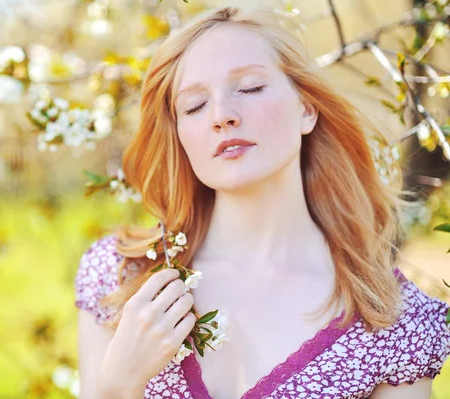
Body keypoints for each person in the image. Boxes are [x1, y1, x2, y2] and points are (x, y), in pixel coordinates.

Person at [74, 5, 450, 399]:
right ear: (181, 136)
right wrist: (118, 386)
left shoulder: (394, 320)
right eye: (195, 106)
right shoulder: (120, 279)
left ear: (306, 109)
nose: (221, 115)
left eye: (250, 88)